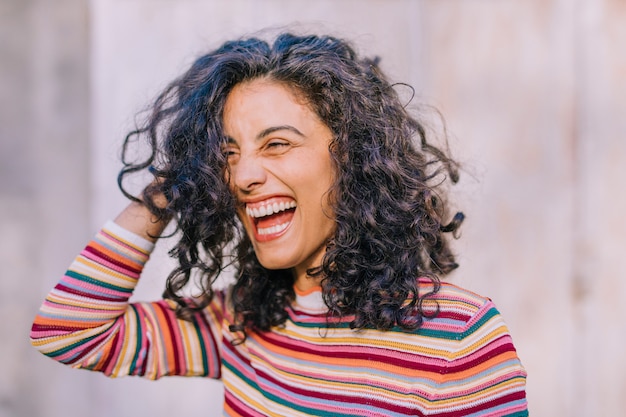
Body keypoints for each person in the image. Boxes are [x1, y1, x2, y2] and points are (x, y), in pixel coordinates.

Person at [30, 32, 528, 416]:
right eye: (227, 155)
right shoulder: (240, 322)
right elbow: (69, 332)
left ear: (353, 159)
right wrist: (166, 193)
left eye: (277, 144)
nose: (243, 175)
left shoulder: (457, 336)